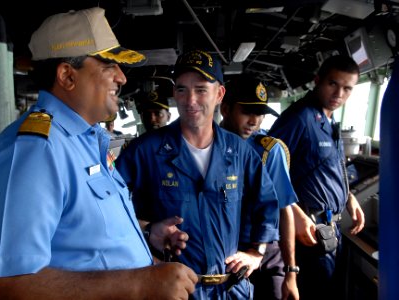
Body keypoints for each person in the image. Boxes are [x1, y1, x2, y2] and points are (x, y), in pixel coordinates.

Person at [0, 7, 197, 300]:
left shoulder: (90, 141)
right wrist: (140, 284)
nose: (122, 78)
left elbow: (85, 237)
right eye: (108, 65)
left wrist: (147, 238)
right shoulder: (35, 153)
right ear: (66, 76)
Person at [116, 49, 279, 299]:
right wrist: (147, 228)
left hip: (231, 288)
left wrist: (257, 252)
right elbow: (108, 211)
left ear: (219, 94)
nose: (190, 100)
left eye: (201, 89)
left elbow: (266, 203)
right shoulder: (144, 151)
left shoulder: (239, 152)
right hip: (172, 290)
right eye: (182, 89)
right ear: (174, 94)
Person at [268, 55, 365, 300]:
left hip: (330, 227)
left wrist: (349, 197)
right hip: (308, 230)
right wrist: (296, 215)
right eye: (333, 84)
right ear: (318, 80)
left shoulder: (328, 120)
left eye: (347, 88)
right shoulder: (298, 118)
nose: (339, 93)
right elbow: (267, 171)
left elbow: (330, 168)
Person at [220, 77, 299, 300]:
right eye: (247, 112)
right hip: (228, 252)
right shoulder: (208, 146)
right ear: (226, 109)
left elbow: (284, 209)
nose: (254, 121)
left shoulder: (269, 151)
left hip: (268, 252)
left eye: (260, 113)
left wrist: (291, 272)